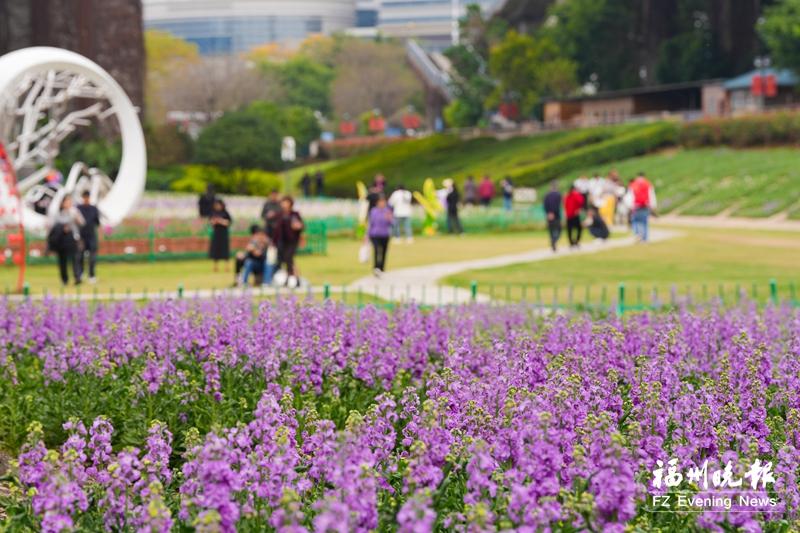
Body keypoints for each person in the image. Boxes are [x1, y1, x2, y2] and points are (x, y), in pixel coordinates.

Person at [49, 195, 85, 286]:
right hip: (62, 240)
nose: (68, 203)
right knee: (62, 260)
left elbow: (82, 223)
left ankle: (77, 277)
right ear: (62, 203)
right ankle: (64, 279)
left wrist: (76, 217)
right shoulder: (59, 214)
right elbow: (54, 227)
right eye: (66, 201)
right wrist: (62, 228)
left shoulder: (75, 212)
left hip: (73, 238)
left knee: (75, 259)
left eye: (70, 201)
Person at [273, 195, 305, 287]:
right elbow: (277, 229)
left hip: (292, 241)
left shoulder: (294, 214)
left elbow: (301, 225)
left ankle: (294, 279)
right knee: (287, 261)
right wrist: (274, 241)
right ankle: (291, 279)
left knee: (289, 259)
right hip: (282, 241)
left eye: (286, 202)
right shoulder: (280, 214)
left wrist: (298, 226)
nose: (284, 204)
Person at [76, 190, 100, 283]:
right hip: (82, 236)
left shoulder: (93, 209)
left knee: (92, 257)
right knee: (80, 256)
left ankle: (91, 275)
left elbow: (97, 222)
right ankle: (81, 273)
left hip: (91, 236)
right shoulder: (79, 208)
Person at [368, 195, 393, 276]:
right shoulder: (373, 211)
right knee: (376, 250)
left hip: (385, 234)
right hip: (375, 234)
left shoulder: (387, 211)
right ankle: (376, 267)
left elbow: (392, 224)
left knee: (384, 252)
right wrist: (367, 235)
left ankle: (382, 268)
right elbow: (371, 223)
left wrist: (389, 219)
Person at [629, 171, 657, 242]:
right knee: (644, 222)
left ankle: (637, 234)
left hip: (636, 205)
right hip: (645, 205)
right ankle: (645, 238)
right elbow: (651, 195)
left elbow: (630, 196)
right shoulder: (648, 184)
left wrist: (630, 206)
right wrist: (653, 205)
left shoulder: (633, 184)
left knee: (636, 221)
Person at [209, 199, 231, 272]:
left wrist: (221, 221)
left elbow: (228, 222)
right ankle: (215, 267)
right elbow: (211, 222)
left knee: (225, 250)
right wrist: (214, 222)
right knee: (216, 250)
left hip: (224, 233)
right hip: (216, 233)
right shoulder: (213, 213)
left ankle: (227, 267)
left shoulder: (225, 213)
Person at [543, 181, 562, 251]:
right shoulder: (558, 195)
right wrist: (552, 213)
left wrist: (548, 213)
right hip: (556, 215)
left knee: (551, 230)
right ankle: (554, 241)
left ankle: (553, 241)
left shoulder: (546, 195)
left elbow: (545, 205)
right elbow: (557, 205)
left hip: (549, 215)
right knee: (558, 229)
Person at [564, 183, 585, 248]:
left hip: (569, 215)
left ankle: (571, 242)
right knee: (579, 228)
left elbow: (565, 205)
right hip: (575, 215)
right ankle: (576, 241)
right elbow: (581, 201)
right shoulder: (576, 195)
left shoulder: (567, 196)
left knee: (569, 229)